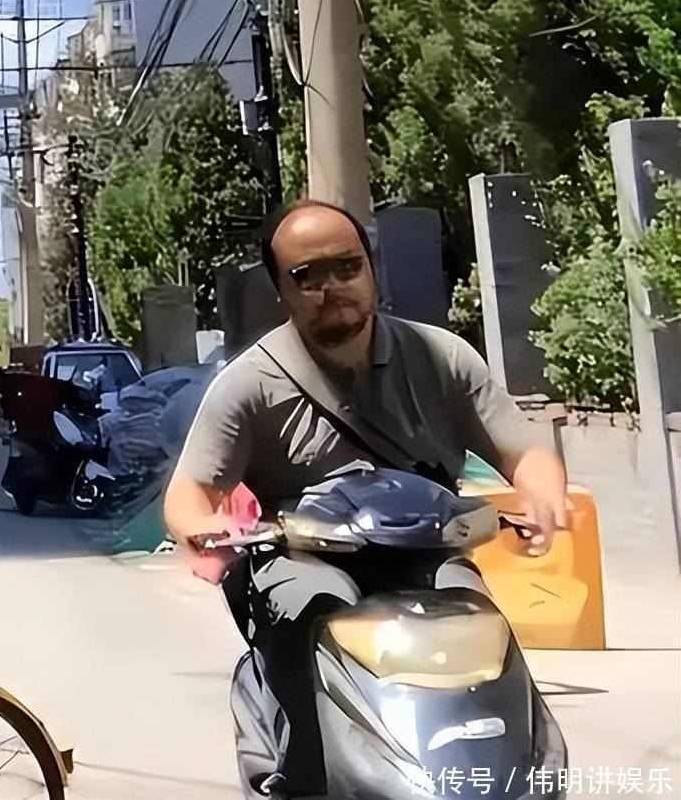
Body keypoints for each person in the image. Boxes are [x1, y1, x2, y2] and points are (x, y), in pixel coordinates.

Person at [163, 200, 569, 796]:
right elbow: (190, 491)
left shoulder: (442, 358)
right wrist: (201, 527)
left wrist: (542, 496)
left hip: (427, 553)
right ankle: (304, 777)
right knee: (312, 606)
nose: (332, 287)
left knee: (473, 617)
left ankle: (514, 773)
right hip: (301, 556)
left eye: (347, 266)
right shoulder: (250, 384)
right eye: (307, 276)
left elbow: (524, 450)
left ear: (372, 268)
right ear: (281, 290)